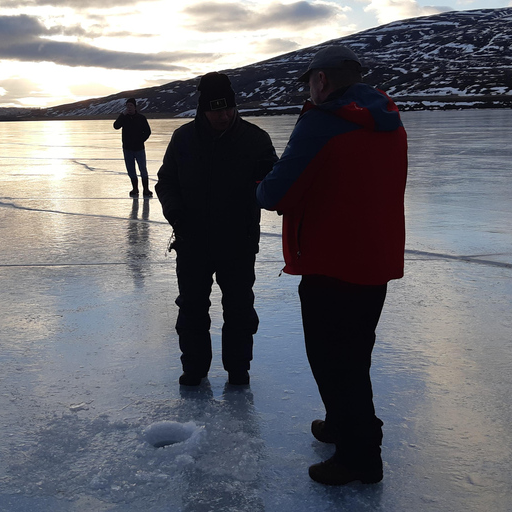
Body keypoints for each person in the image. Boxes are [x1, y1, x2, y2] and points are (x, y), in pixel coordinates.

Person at [256, 46, 408, 485]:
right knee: (355, 355)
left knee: (333, 360)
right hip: (374, 260)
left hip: (330, 261)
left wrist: (260, 186)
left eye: (309, 81)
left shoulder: (321, 123)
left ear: (321, 80)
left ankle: (360, 456)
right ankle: (344, 425)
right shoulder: (390, 121)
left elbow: (276, 194)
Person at [156, 72, 278, 387]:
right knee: (192, 308)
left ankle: (239, 370)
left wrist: (268, 185)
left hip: (238, 242)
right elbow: (166, 181)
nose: (223, 116)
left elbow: (272, 187)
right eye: (215, 110)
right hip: (191, 241)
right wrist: (174, 210)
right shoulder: (183, 139)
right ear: (203, 109)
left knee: (239, 309)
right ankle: (194, 369)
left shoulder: (255, 139)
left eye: (228, 109)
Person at [114, 98, 152, 197]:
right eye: (127, 106)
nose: (129, 108)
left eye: (131, 106)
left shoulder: (141, 118)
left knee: (143, 168)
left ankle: (146, 189)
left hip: (139, 148)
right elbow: (116, 126)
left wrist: (141, 140)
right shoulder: (124, 118)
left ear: (135, 107)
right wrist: (122, 115)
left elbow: (147, 131)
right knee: (131, 169)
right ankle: (135, 189)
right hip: (127, 149)